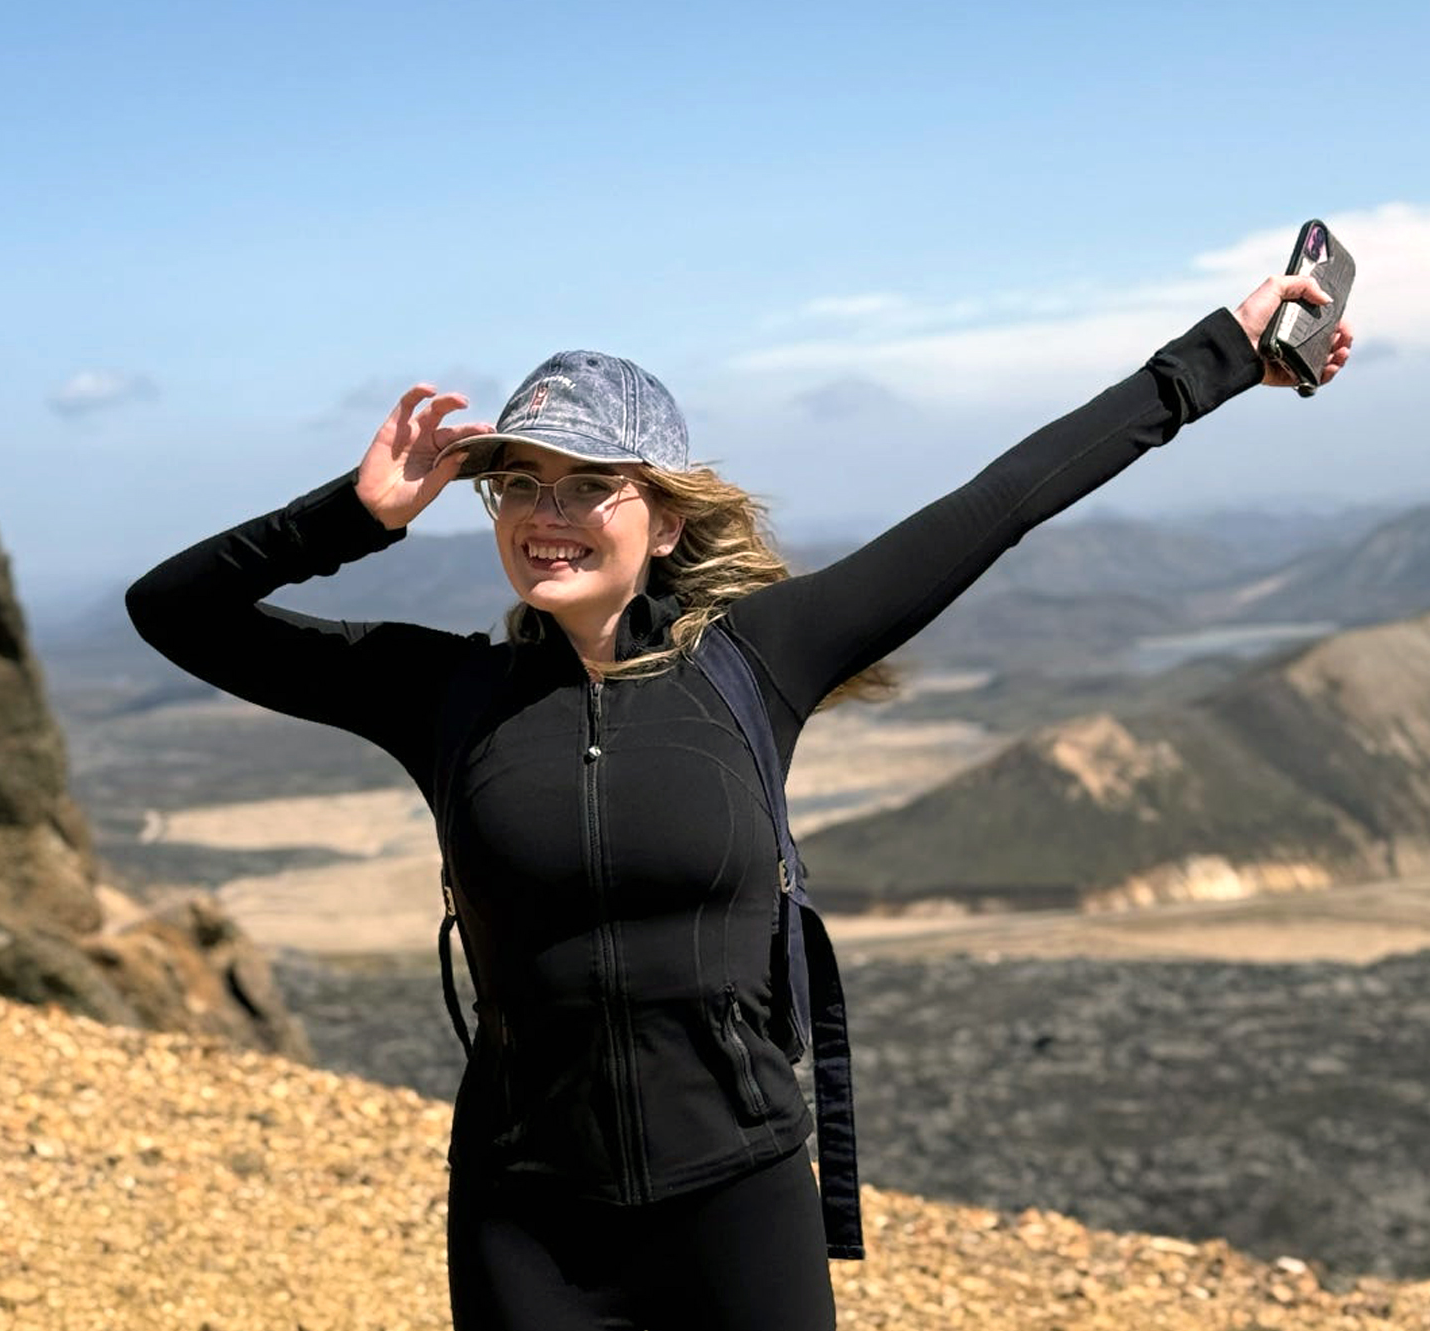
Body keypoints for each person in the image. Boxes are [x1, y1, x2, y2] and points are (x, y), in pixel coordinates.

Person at [126, 271, 1352, 1330]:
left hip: (737, 1199)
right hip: (525, 1214)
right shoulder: (440, 693)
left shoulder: (753, 662)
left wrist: (1222, 356)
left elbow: (1001, 501)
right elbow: (169, 610)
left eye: (587, 483)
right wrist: (349, 515)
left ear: (659, 518)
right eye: (519, 486)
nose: (547, 516)